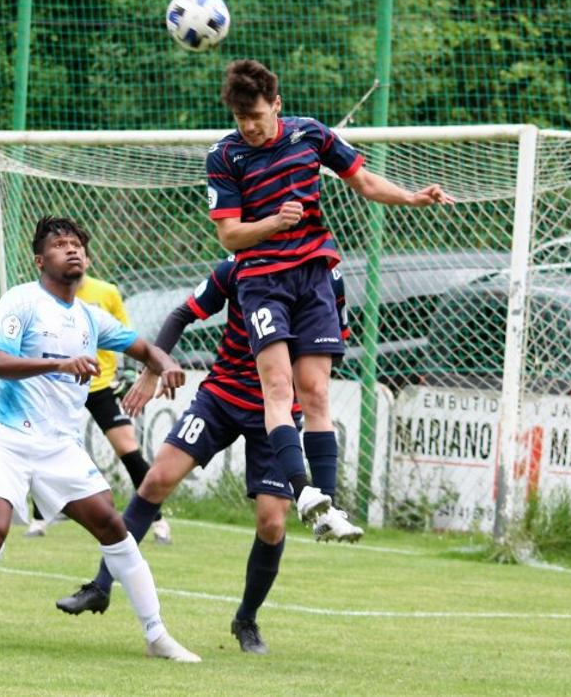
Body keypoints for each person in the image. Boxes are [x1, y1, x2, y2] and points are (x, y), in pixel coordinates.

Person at [54, 257, 361, 654]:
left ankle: (246, 620)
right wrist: (151, 368)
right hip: (220, 399)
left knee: (272, 523)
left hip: (279, 415)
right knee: (156, 480)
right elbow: (183, 313)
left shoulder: (326, 271)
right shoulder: (238, 267)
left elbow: (336, 338)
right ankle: (100, 586)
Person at [206, 59, 453, 529]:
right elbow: (230, 237)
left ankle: (329, 509)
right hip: (261, 281)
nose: (250, 126)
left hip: (315, 276)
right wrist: (275, 223)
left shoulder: (310, 135)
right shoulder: (224, 156)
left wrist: (413, 197)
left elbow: (363, 181)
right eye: (241, 119)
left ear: (277, 105)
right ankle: (304, 495)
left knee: (316, 393)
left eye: (256, 115)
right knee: (277, 388)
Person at [0, 216, 199, 662]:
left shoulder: (91, 317)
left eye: (78, 244)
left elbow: (145, 348)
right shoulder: (21, 301)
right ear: (42, 261)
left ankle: (156, 634)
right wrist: (57, 365)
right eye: (61, 245)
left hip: (57, 445)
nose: (72, 250)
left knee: (113, 525)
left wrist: (161, 365)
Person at [26, 265, 172, 545]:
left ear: (87, 260)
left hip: (100, 383)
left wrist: (130, 370)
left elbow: (125, 334)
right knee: (43, 445)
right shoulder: (44, 295)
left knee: (128, 449)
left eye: (78, 251)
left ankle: (158, 522)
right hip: (62, 385)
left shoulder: (107, 293)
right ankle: (41, 517)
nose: (73, 259)